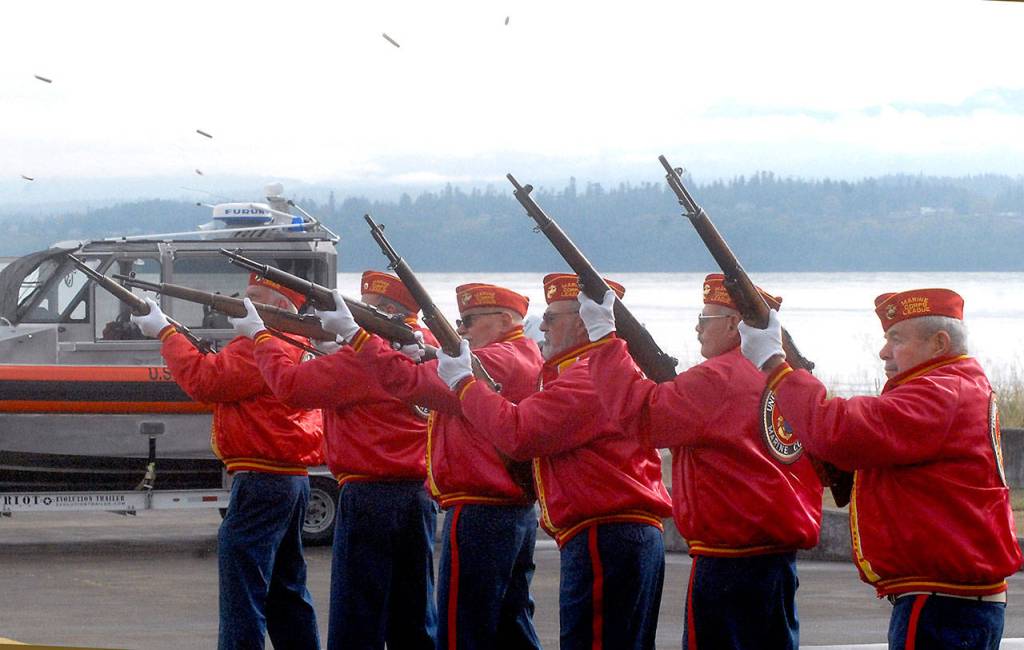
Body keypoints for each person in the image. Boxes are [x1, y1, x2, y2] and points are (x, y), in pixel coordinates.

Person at [737, 287, 1023, 649]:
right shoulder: (959, 387)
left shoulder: (941, 393)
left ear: (939, 343)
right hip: (952, 601)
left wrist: (775, 365)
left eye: (897, 339)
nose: (884, 351)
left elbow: (837, 430)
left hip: (941, 606)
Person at [578, 274, 823, 650]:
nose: (697, 328)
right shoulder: (784, 375)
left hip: (728, 563)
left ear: (733, 323)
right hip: (776, 561)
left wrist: (604, 340)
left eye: (705, 319)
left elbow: (641, 414)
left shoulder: (717, 377)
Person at [435, 273, 673, 649]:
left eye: (551, 317)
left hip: (605, 535)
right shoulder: (598, 372)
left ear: (583, 322)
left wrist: (465, 384)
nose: (542, 326)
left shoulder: (588, 375)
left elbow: (519, 433)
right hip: (615, 534)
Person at [318, 282, 544, 650]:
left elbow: (412, 383)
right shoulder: (523, 354)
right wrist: (424, 354)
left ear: (505, 320)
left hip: (480, 509)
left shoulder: (496, 359)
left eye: (469, 320)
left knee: (461, 633)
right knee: (510, 628)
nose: (461, 329)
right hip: (506, 509)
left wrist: (356, 337)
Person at [234, 271, 440, 649]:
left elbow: (291, 386)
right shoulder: (423, 343)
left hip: (370, 494)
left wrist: (260, 337)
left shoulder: (368, 354)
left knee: (356, 619)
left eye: (367, 308)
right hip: (417, 494)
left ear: (386, 311)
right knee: (413, 617)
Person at [131, 273, 323, 650]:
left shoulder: (262, 344)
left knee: (243, 596)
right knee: (286, 593)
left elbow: (208, 381)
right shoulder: (293, 342)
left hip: (262, 479)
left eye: (254, 297)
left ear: (278, 307)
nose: (243, 302)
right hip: (289, 479)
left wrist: (166, 334)